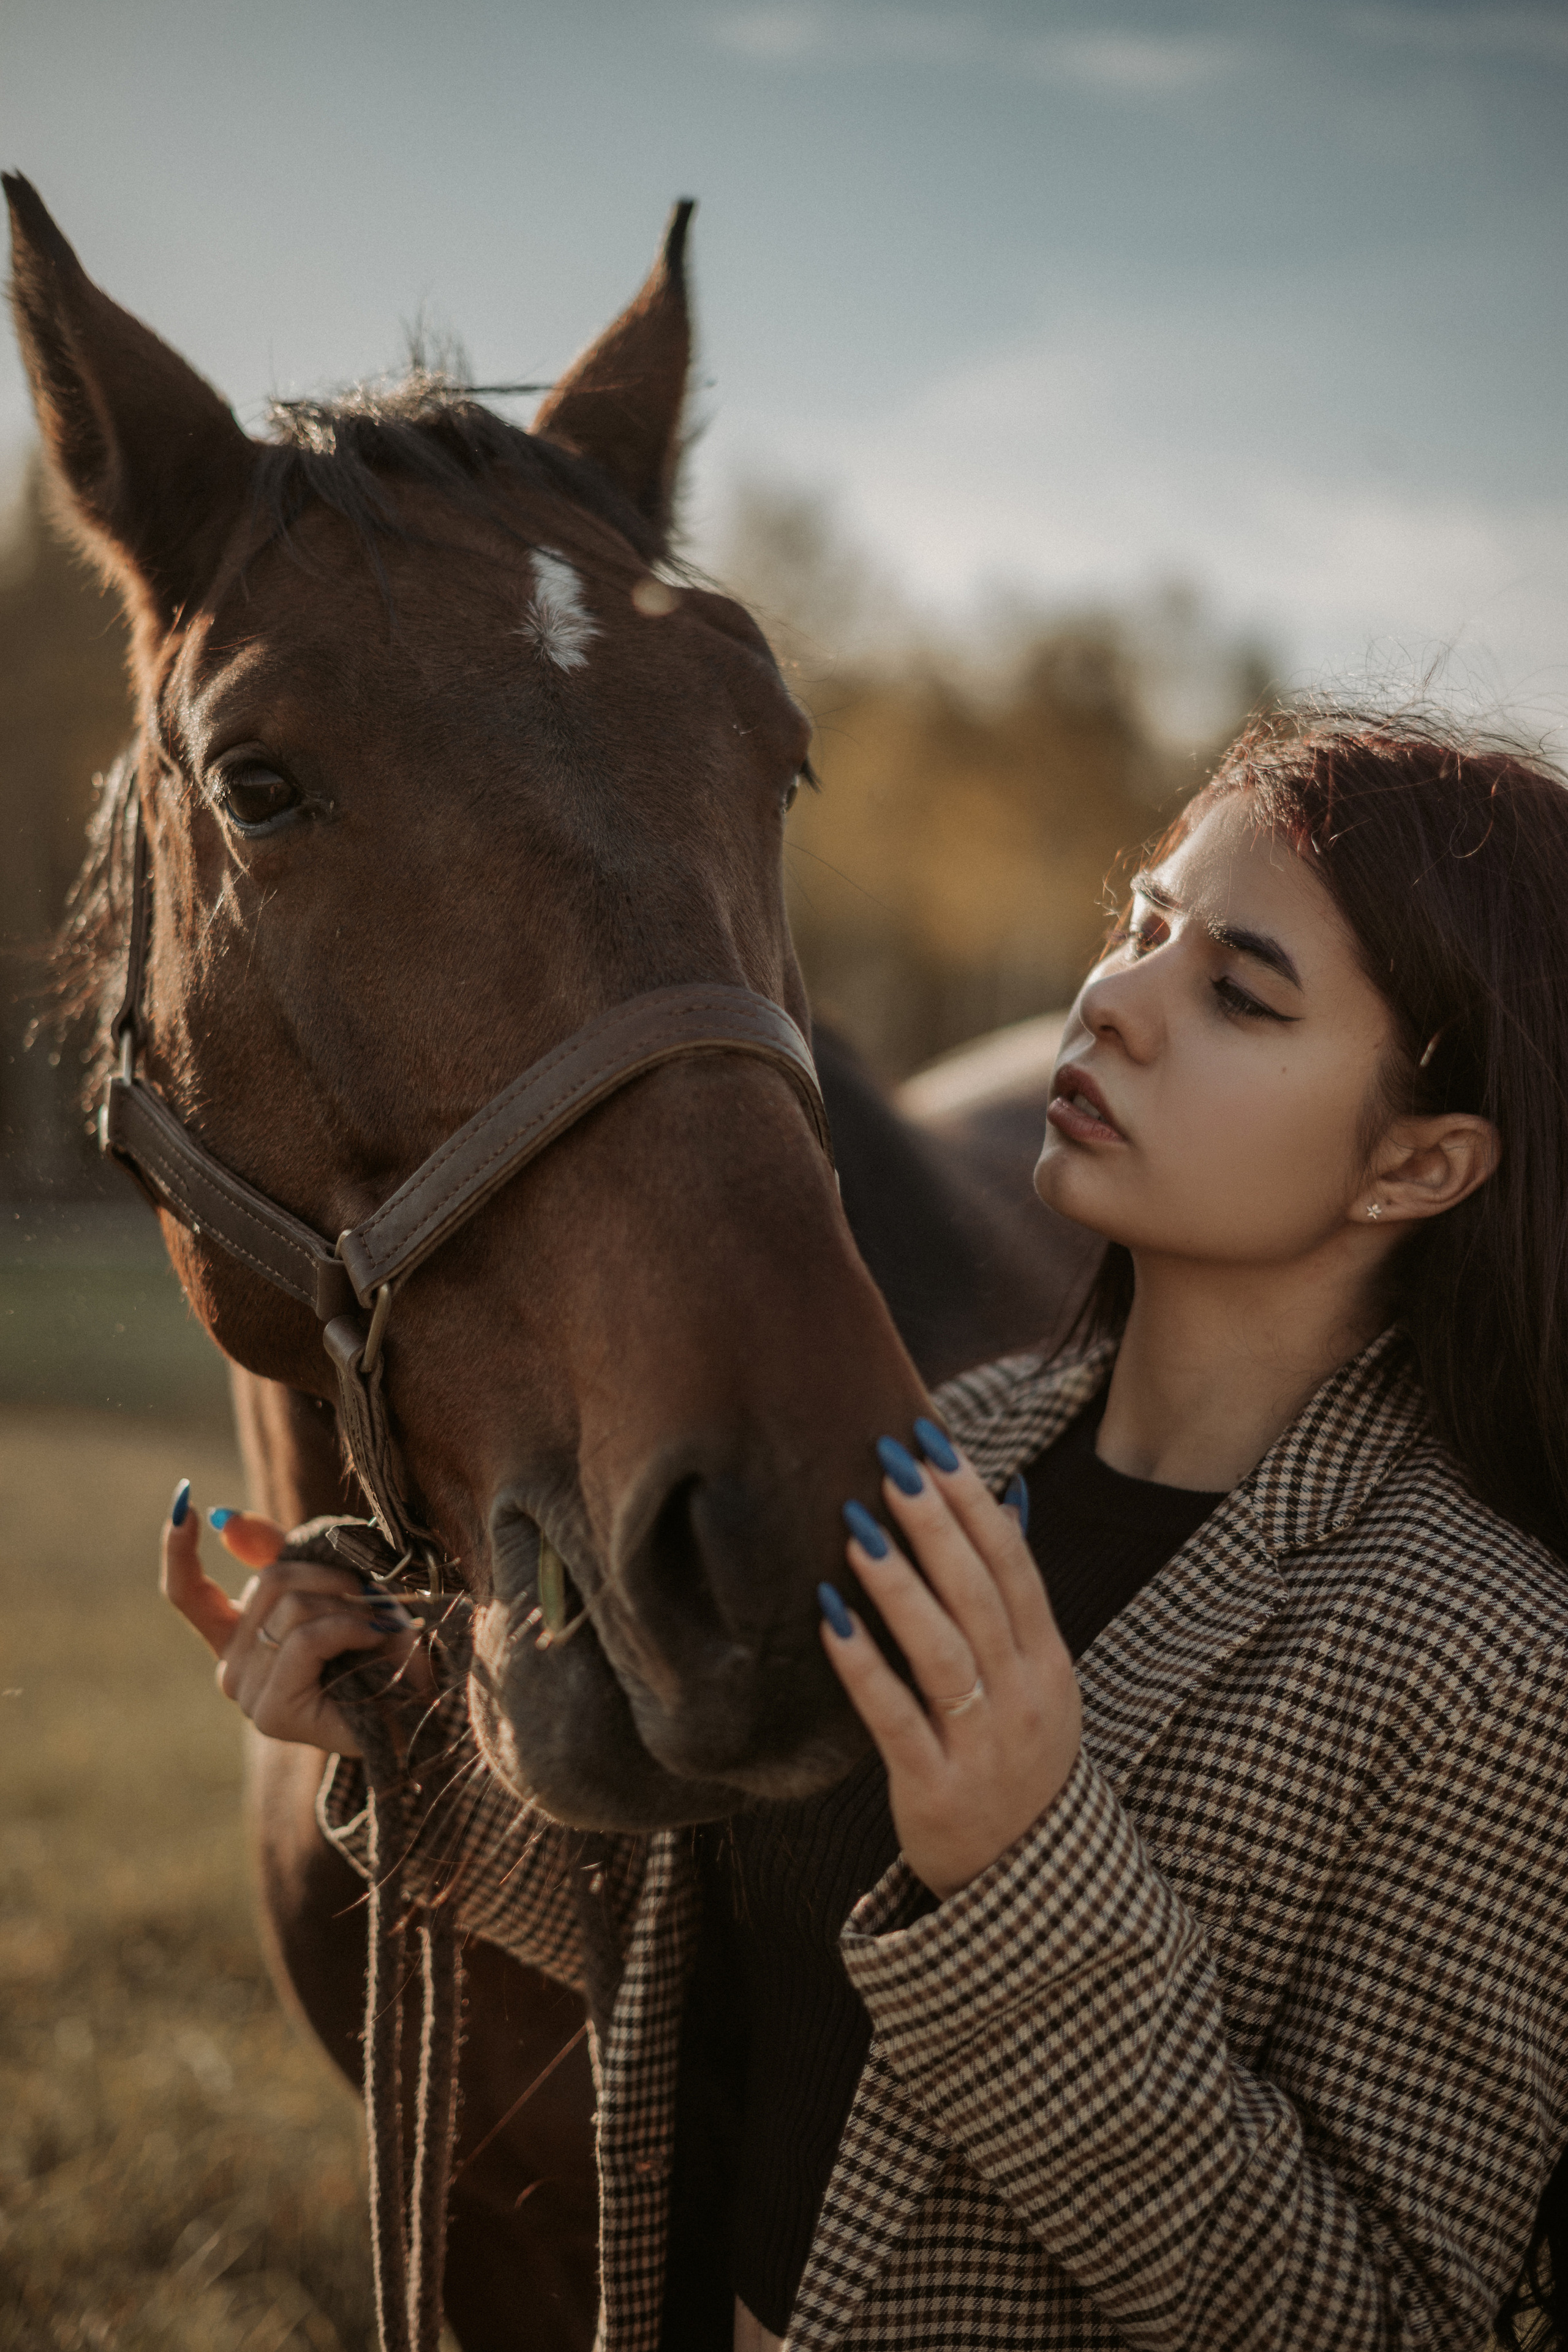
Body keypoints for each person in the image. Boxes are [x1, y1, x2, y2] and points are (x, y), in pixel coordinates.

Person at [165, 707, 1568, 2350]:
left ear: (1418, 1163)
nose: (1112, 1003)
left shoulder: (1495, 1663)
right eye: (1139, 930)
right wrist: (392, 1734)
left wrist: (1024, 1873)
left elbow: (1370, 2320)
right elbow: (706, 1972)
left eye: (1238, 995)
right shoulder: (941, 1459)